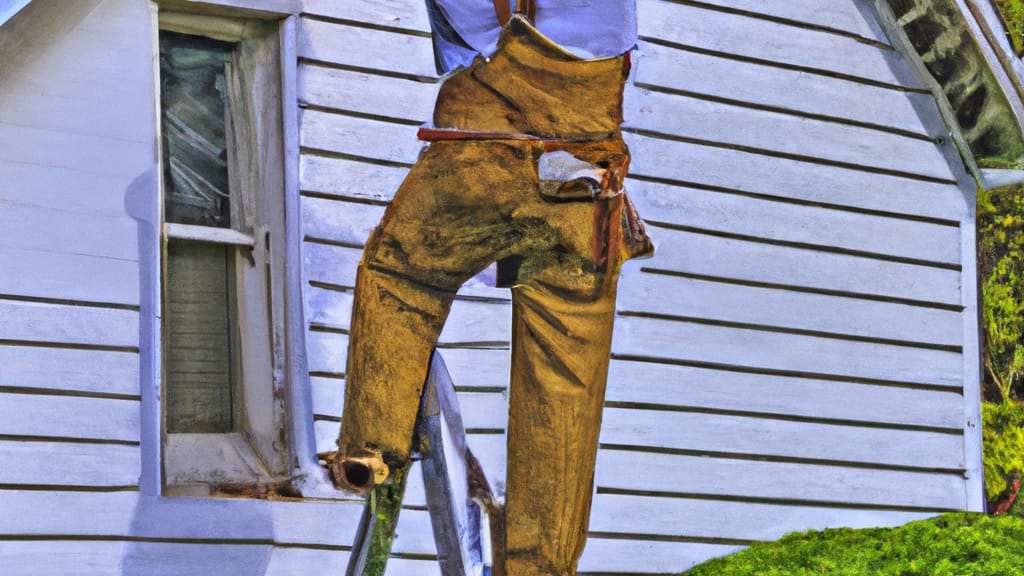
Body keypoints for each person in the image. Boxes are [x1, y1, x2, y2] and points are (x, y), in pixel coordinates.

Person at [332, 1, 652, 573]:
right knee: (566, 379)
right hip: (586, 168)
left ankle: (370, 450)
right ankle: (542, 562)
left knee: (402, 275)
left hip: (478, 153)